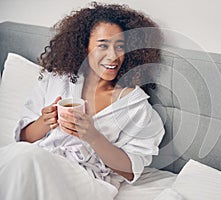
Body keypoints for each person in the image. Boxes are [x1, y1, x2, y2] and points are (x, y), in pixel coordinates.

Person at [0, 2, 164, 200]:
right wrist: (44, 122)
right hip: (39, 159)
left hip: (86, 179)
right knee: (20, 157)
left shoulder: (135, 106)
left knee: (25, 158)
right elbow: (24, 139)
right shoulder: (57, 81)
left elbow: (130, 171)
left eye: (119, 47)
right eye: (103, 45)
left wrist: (93, 136)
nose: (113, 56)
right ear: (84, 47)